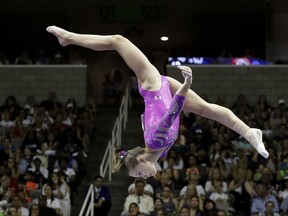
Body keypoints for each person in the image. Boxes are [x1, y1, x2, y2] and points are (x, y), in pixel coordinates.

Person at [46, 26, 269, 178]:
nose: (145, 177)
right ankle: (251, 133)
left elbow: (173, 111)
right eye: (141, 177)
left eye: (140, 174)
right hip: (163, 90)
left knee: (118, 41)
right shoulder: (158, 152)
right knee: (205, 109)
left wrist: (187, 83)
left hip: (153, 86)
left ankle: (69, 38)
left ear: (142, 159)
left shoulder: (155, 142)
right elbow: (149, 117)